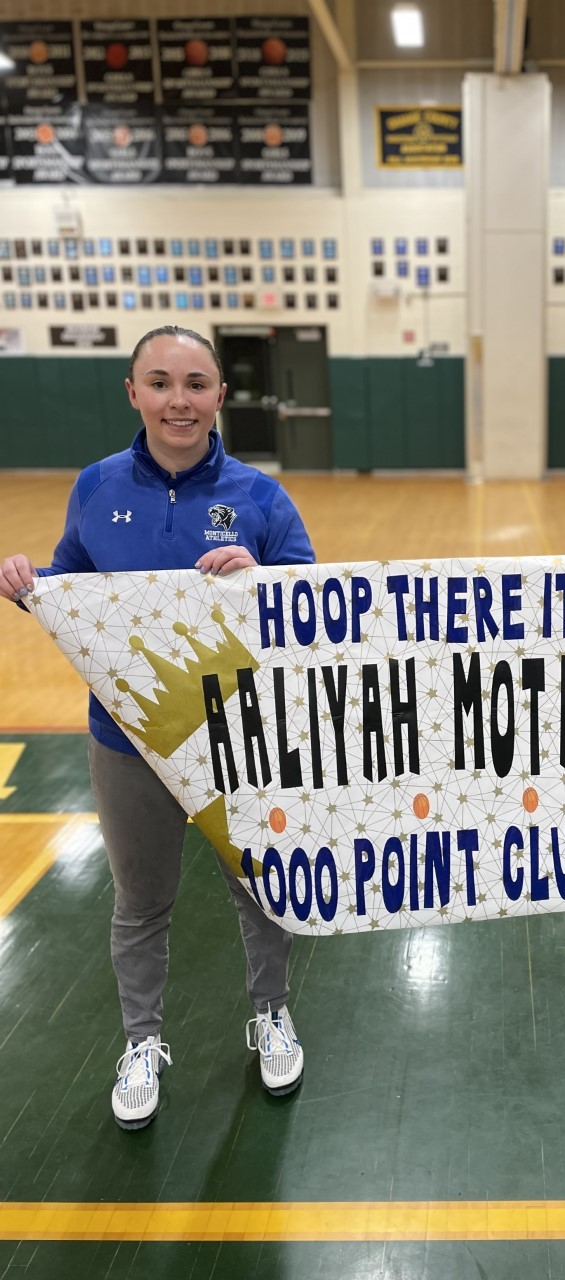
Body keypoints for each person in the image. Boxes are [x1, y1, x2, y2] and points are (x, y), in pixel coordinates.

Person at [0, 325, 316, 1129]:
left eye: (198, 383)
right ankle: (142, 1040)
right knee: (141, 904)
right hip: (126, 740)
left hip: (237, 740)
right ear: (133, 392)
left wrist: (260, 578)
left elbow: (311, 593)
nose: (181, 399)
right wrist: (30, 580)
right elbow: (69, 576)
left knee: (261, 890)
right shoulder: (97, 485)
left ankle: (271, 1011)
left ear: (218, 395)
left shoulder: (258, 496)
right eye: (163, 382)